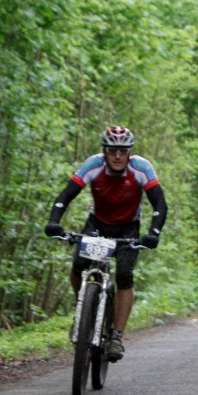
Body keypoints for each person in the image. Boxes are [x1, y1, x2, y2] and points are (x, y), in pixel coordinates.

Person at [43, 125, 168, 362]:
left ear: (130, 152)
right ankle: (83, 311)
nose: (118, 156)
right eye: (112, 151)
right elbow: (66, 195)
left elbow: (160, 204)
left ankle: (116, 336)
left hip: (128, 228)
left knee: (124, 275)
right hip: (97, 224)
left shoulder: (141, 167)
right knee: (78, 265)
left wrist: (153, 233)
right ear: (104, 151)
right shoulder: (93, 165)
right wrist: (53, 222)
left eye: (123, 151)